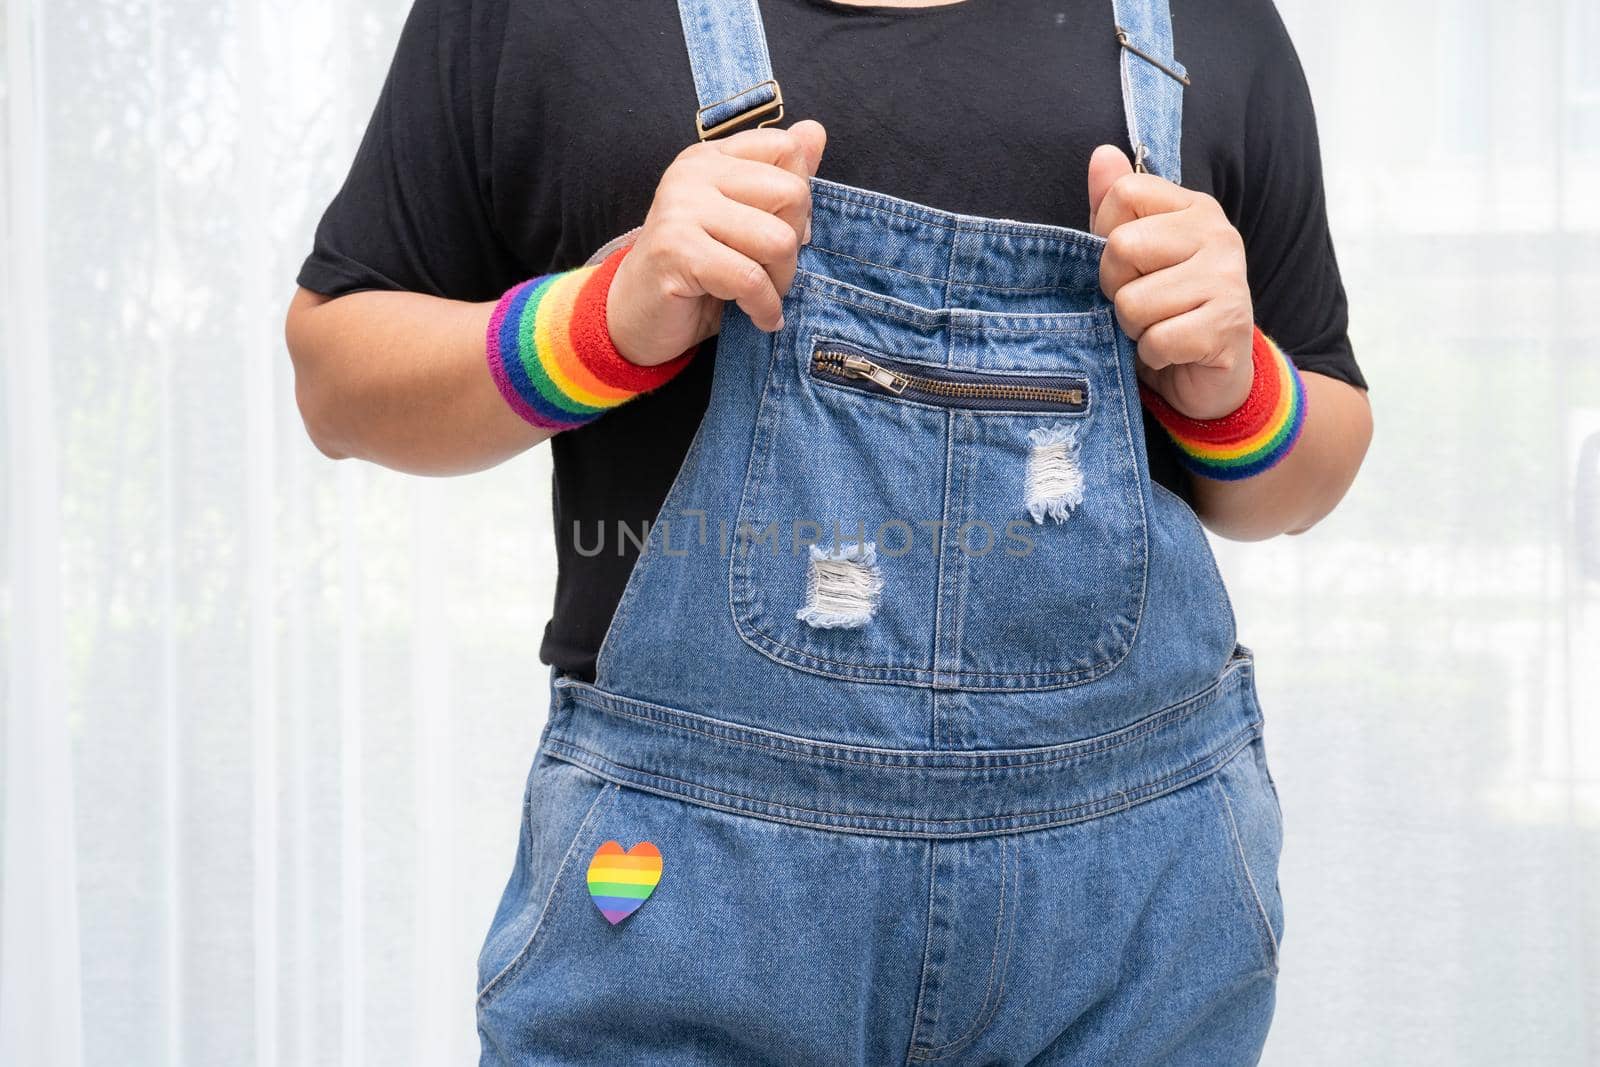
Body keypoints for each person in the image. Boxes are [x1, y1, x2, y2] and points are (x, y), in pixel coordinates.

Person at [287, 0, 1372, 1062]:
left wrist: (1230, 386)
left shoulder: (1211, 23)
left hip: (1130, 928)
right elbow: (337, 377)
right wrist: (604, 320)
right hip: (690, 911)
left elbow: (1315, 469)